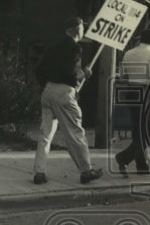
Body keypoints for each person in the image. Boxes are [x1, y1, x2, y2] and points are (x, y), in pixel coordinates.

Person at [32, 17, 102, 184]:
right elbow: (69, 74)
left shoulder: (53, 47)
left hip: (48, 91)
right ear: (73, 31)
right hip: (63, 93)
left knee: (45, 134)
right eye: (81, 28)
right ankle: (86, 171)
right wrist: (84, 73)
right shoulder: (75, 48)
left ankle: (39, 172)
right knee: (75, 132)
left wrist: (46, 85)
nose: (83, 30)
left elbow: (38, 68)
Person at [115, 30, 150, 175]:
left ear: (140, 38)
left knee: (137, 130)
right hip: (147, 91)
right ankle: (123, 157)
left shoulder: (128, 53)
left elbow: (122, 75)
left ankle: (141, 165)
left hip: (131, 91)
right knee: (148, 131)